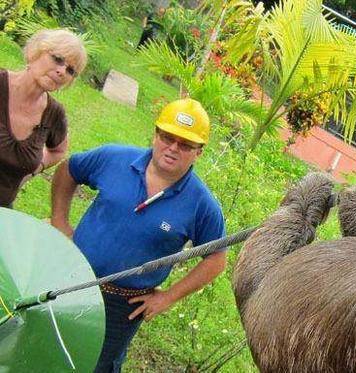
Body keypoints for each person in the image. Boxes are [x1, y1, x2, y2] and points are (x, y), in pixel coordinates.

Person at [50, 98, 227, 373]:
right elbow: (69, 170)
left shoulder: (201, 205)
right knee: (43, 342)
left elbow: (216, 259)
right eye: (168, 137)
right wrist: (60, 221)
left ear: (199, 152)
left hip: (122, 305)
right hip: (69, 274)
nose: (173, 148)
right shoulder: (113, 158)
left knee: (94, 365)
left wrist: (168, 297)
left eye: (185, 145)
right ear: (156, 134)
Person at [0, 28, 86, 207]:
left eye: (70, 70)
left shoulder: (54, 115)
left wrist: (33, 171)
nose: (62, 71)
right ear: (35, 52)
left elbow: (59, 151)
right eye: (57, 59)